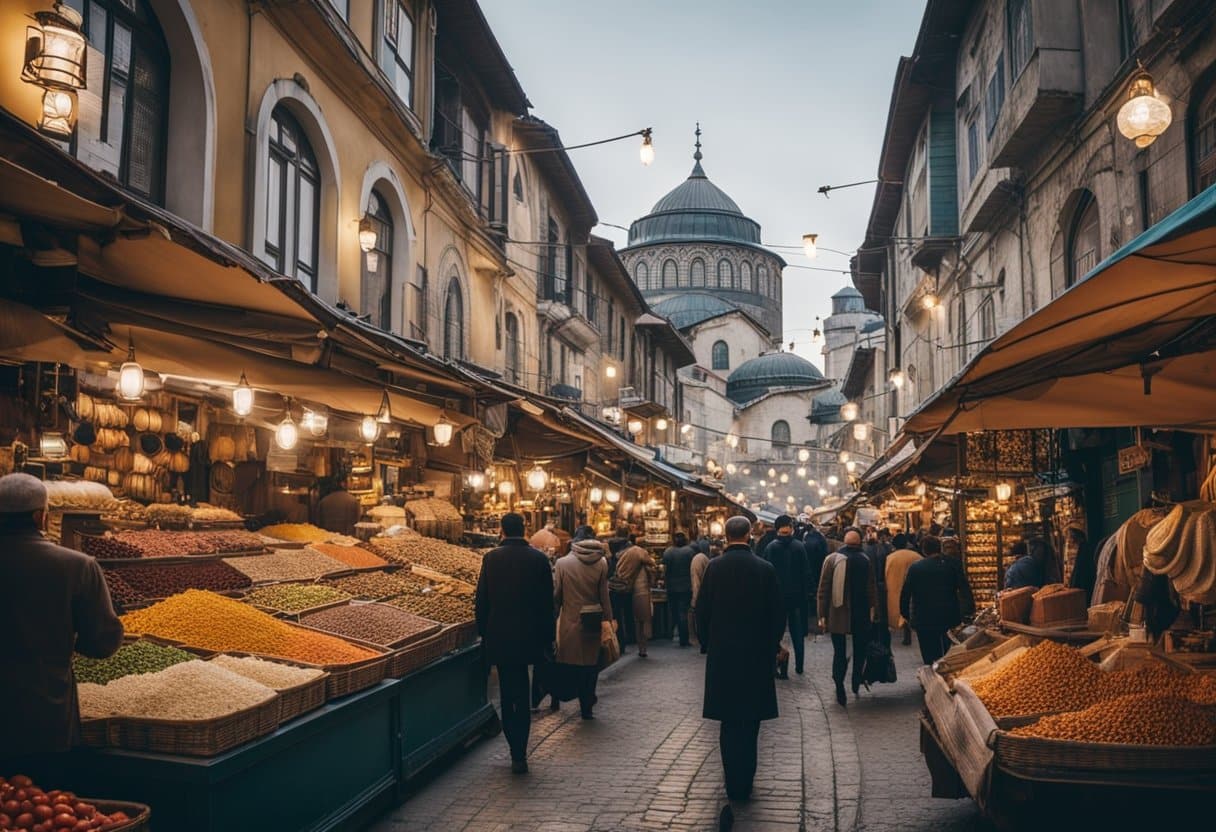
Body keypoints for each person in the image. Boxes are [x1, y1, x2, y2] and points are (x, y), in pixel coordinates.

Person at [0, 473, 124, 774]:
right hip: (45, 716)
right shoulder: (77, 566)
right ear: (41, 517)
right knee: (42, 796)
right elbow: (102, 642)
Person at [696, 516, 785, 813]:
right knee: (751, 722)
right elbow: (777, 614)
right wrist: (772, 644)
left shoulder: (714, 568)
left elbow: (702, 610)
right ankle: (746, 780)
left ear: (726, 535)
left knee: (729, 721)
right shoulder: (765, 569)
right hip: (756, 655)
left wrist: (707, 643)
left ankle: (732, 782)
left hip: (723, 656)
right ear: (749, 535)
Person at [474, 513, 555, 774]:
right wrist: (549, 638)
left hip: (501, 637)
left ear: (502, 530)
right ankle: (520, 749)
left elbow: (482, 601)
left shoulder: (491, 559)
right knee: (523, 690)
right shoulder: (539, 559)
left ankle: (515, 750)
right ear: (524, 529)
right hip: (530, 637)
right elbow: (548, 604)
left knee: (508, 694)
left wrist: (484, 634)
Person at [553, 537, 613, 719]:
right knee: (591, 662)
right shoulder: (601, 562)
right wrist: (609, 619)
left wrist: (554, 615)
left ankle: (572, 695)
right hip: (593, 618)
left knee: (572, 661)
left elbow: (557, 595)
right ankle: (587, 704)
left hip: (570, 619)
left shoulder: (562, 563)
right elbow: (604, 595)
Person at [817, 528, 877, 706]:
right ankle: (855, 680)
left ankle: (839, 684)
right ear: (860, 543)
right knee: (860, 650)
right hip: (861, 613)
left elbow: (823, 589)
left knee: (839, 651)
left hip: (838, 614)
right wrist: (873, 611)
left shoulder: (832, 559)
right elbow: (871, 588)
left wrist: (822, 615)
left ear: (844, 541)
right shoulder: (865, 560)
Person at [900, 535, 975, 666]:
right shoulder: (952, 564)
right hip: (949, 616)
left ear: (924, 550)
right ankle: (946, 672)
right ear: (939, 548)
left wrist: (906, 615)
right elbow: (964, 589)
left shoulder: (916, 568)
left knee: (929, 654)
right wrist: (968, 611)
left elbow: (906, 593)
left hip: (924, 618)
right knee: (949, 653)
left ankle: (932, 672)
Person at [762, 515, 811, 677]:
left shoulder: (770, 548)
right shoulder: (799, 547)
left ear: (777, 529)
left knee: (775, 633)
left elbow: (766, 575)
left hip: (776, 599)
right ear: (791, 528)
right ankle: (799, 665)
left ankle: (774, 664)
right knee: (797, 634)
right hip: (796, 599)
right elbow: (806, 573)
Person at [612, 533, 655, 657]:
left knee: (628, 619)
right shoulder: (638, 554)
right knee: (642, 620)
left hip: (623, 591)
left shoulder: (620, 557)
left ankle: (627, 644)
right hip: (639, 593)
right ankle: (642, 647)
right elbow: (652, 565)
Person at [885, 535, 922, 646]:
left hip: (895, 589)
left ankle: (905, 629)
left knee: (900, 609)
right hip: (916, 590)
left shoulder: (890, 558)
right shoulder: (916, 556)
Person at [662, 531, 696, 647]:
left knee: (674, 611)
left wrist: (665, 581)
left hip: (671, 586)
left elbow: (665, 570)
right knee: (683, 612)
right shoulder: (690, 552)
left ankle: (671, 634)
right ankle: (683, 638)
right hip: (686, 586)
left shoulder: (668, 552)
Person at [607, 524, 637, 650]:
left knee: (616, 614)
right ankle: (631, 636)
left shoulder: (609, 546)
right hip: (626, 584)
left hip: (613, 585)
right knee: (628, 611)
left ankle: (620, 640)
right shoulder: (630, 547)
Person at [862, 526, 892, 648]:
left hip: (874, 585)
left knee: (874, 614)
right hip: (879, 585)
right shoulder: (883, 549)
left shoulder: (865, 550)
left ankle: (874, 639)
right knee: (880, 616)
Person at [802, 522, 829, 635]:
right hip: (819, 568)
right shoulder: (820, 538)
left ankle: (810, 616)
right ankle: (818, 614)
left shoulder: (805, 539)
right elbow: (825, 553)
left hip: (808, 569)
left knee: (809, 593)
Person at [1067, 526, 1097, 602]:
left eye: (1071, 536)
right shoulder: (1084, 547)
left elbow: (1079, 571)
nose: (1070, 539)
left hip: (1083, 587)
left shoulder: (1084, 548)